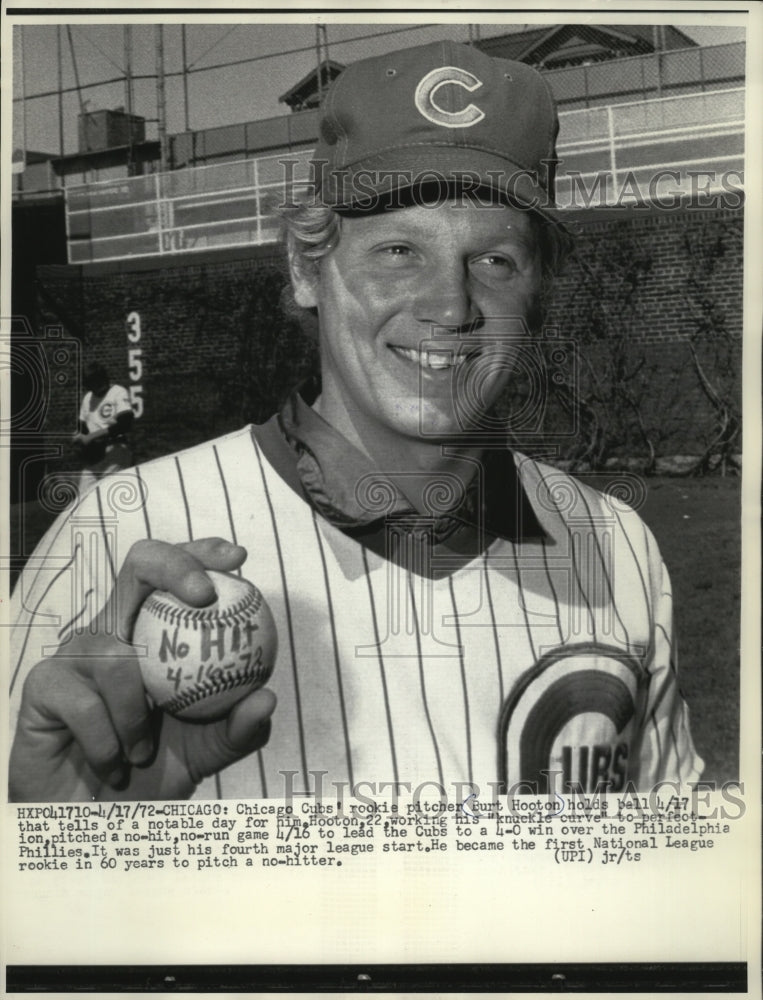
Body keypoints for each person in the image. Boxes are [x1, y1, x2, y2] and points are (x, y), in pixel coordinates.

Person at [9, 40, 703, 803]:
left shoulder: (618, 547)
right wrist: (59, 837)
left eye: (494, 261)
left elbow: (670, 876)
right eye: (398, 250)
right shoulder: (112, 536)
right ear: (307, 270)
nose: (449, 305)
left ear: (537, 291)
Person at [73, 362, 134, 495]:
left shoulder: (117, 392)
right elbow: (82, 426)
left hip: (115, 450)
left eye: (92, 383)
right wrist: (79, 437)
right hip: (95, 454)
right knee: (83, 497)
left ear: (101, 379)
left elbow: (125, 424)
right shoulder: (88, 397)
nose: (90, 387)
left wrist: (92, 437)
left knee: (108, 494)